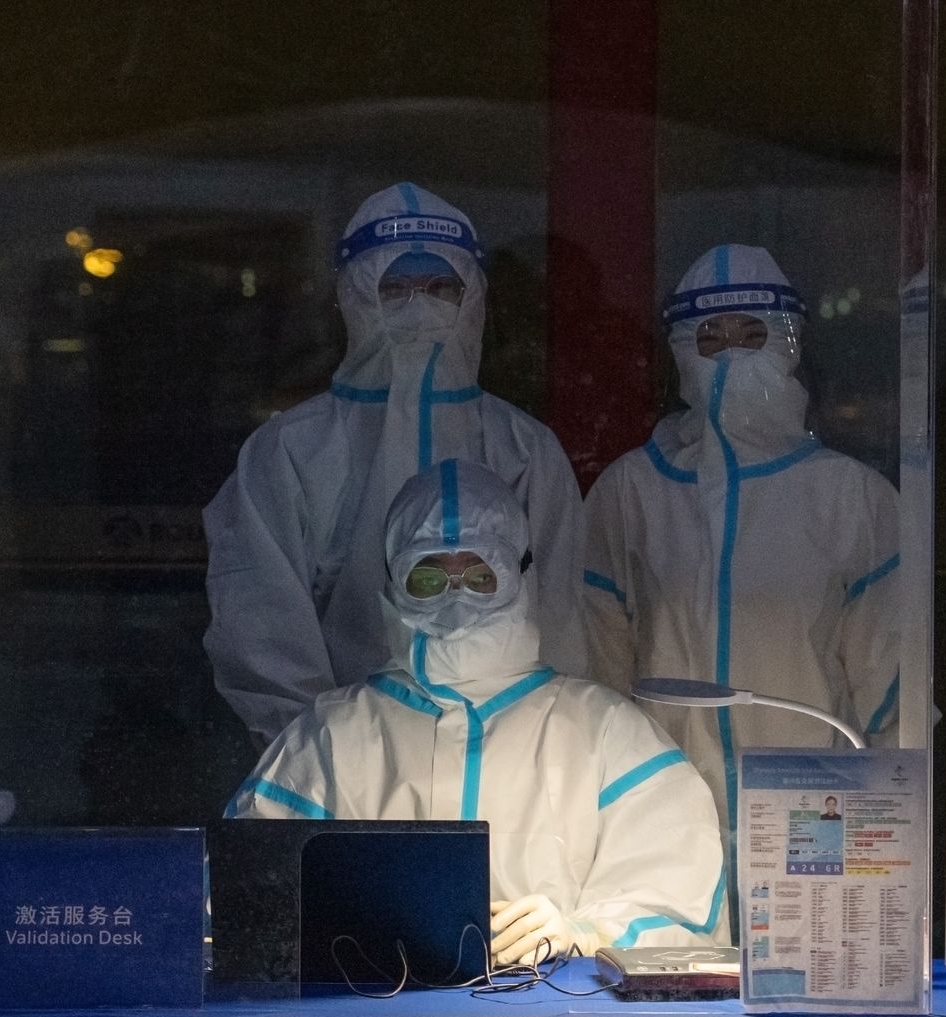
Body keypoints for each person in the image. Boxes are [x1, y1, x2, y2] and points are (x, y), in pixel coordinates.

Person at [228, 460, 724, 964]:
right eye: (428, 577)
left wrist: (588, 933)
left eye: (480, 575)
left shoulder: (607, 734)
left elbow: (682, 899)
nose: (456, 599)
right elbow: (246, 898)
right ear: (392, 581)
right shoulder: (333, 736)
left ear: (521, 573)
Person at [206, 182, 587, 748]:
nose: (420, 307)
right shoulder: (291, 449)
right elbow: (261, 621)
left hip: (507, 751)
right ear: (355, 298)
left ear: (474, 297)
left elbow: (559, 612)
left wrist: (540, 748)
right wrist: (320, 756)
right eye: (396, 288)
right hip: (341, 761)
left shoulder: (524, 447)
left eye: (440, 287)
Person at [581, 244, 901, 857]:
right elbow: (597, 676)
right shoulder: (630, 493)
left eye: (754, 334)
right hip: (657, 810)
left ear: (790, 342)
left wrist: (879, 837)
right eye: (711, 337)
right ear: (679, 348)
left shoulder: (851, 497)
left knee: (804, 950)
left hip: (816, 810)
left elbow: (890, 694)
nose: (732, 355)